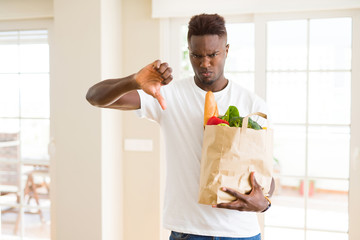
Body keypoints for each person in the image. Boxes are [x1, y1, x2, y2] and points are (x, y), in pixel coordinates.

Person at [86, 13, 274, 240]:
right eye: (196, 55)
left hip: (241, 232)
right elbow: (94, 97)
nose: (205, 63)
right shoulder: (169, 95)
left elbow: (266, 175)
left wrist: (265, 203)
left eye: (213, 54)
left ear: (226, 50)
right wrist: (133, 80)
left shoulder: (253, 104)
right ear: (189, 51)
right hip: (188, 231)